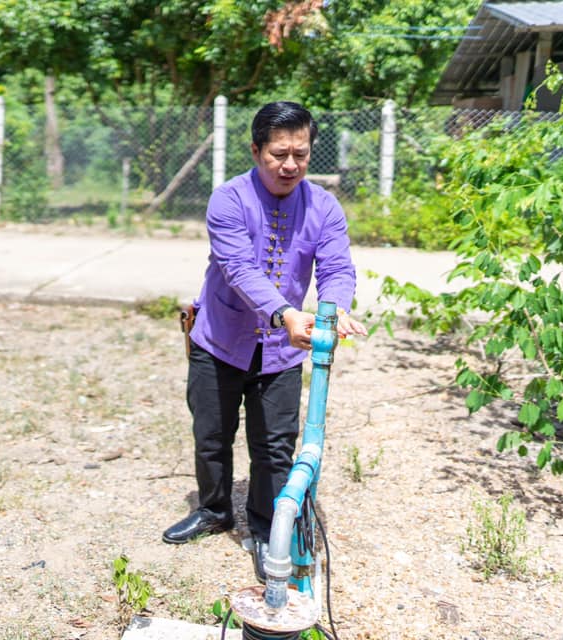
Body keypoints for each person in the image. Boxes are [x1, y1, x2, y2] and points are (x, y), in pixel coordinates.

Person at [161, 101, 367, 583]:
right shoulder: (228, 199)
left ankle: (265, 527)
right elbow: (239, 270)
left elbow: (337, 269)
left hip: (281, 351)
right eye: (278, 153)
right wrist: (287, 313)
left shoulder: (325, 207)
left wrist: (333, 313)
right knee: (211, 436)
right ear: (256, 151)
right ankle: (214, 510)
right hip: (220, 341)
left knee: (275, 447)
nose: (290, 164)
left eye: (300, 153)